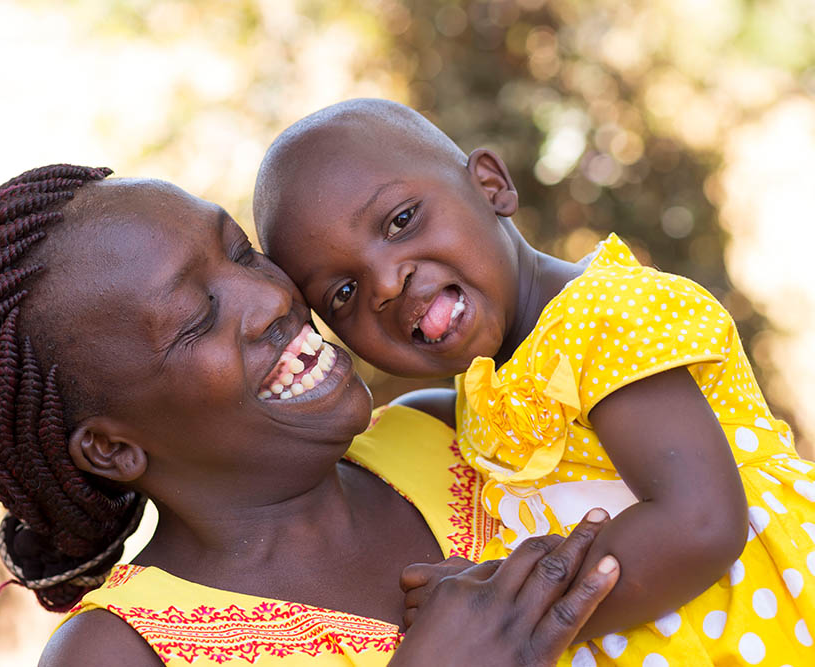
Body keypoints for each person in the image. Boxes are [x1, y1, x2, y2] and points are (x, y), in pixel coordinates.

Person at [0, 164, 621, 666]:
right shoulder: (121, 650)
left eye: (241, 252)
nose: (271, 299)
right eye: (197, 320)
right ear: (111, 447)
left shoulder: (455, 431)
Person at [253, 98, 815, 664]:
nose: (386, 282)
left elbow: (698, 524)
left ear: (492, 185)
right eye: (343, 293)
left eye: (401, 221)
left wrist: (500, 604)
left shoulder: (599, 315)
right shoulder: (482, 397)